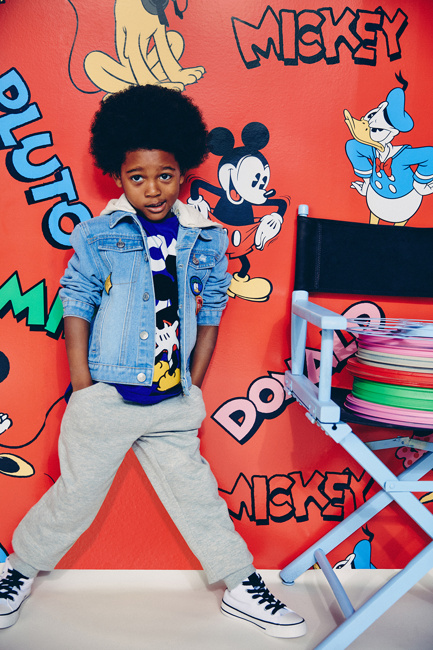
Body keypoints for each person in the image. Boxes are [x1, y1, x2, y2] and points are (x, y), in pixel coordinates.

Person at [0, 84, 306, 639]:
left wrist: (194, 383)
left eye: (164, 175)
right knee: (74, 498)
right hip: (108, 397)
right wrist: (84, 385)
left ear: (182, 172)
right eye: (136, 177)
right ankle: (16, 573)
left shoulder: (204, 236)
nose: (152, 188)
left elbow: (213, 307)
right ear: (117, 177)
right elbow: (77, 299)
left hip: (172, 401)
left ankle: (241, 586)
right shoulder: (100, 233)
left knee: (199, 500)